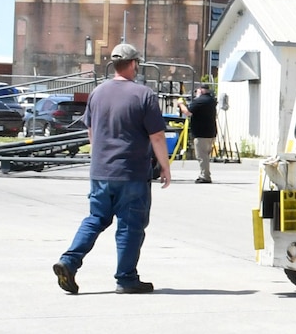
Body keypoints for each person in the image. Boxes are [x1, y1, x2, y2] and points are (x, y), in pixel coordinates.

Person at [53, 43, 170, 295]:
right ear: (134, 64)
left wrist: (101, 157)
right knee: (130, 225)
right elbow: (157, 137)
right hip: (131, 172)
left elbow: (91, 131)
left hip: (100, 171)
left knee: (96, 218)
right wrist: (165, 166)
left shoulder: (97, 93)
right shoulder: (143, 94)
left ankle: (69, 261)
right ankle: (126, 278)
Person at [177, 85, 218, 184]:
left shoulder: (200, 101)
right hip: (211, 132)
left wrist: (181, 104)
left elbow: (187, 112)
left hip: (201, 133)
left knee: (201, 155)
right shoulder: (211, 100)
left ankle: (205, 176)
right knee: (205, 155)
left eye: (197, 91)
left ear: (201, 90)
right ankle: (204, 174)